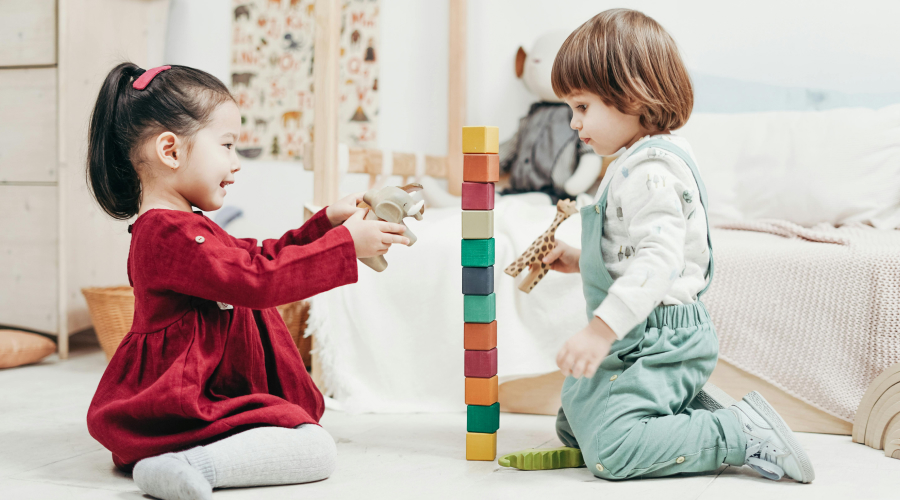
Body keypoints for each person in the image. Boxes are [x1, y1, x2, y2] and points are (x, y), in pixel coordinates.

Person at [499, 9, 814, 483]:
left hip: (659, 339)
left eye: (582, 107)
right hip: (639, 333)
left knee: (613, 450)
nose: (572, 123)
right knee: (574, 420)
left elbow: (659, 261)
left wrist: (599, 331)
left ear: (631, 97)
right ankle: (679, 410)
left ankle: (737, 430)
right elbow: (632, 247)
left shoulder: (649, 172)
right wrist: (583, 259)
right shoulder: (633, 161)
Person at [85, 63, 408, 499]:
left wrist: (328, 224)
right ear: (171, 150)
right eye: (227, 146)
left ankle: (184, 460)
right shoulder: (166, 233)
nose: (236, 165)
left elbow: (258, 256)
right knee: (316, 451)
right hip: (183, 402)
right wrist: (345, 247)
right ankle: (186, 465)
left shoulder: (187, 225)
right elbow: (256, 281)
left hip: (207, 393)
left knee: (302, 434)